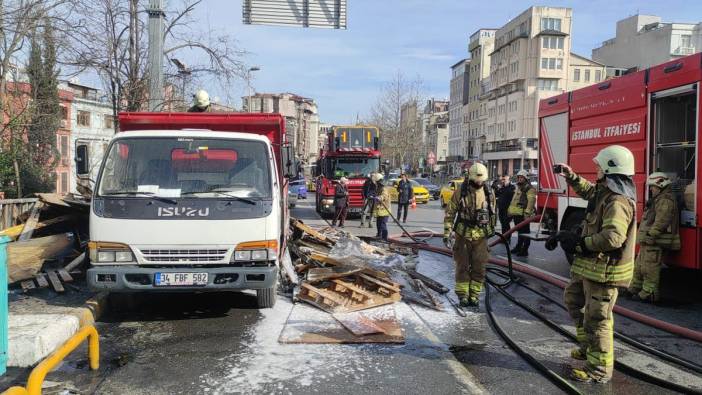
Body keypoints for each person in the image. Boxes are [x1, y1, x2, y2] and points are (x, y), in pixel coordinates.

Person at [545, 145, 637, 384]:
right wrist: (571, 176)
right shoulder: (604, 192)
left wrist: (580, 243)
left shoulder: (617, 201)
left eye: (598, 166)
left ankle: (598, 369)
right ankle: (588, 347)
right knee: (573, 300)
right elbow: (588, 191)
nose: (595, 169)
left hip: (604, 272)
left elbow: (613, 238)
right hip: (591, 267)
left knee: (598, 320)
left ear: (609, 169)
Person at [443, 162, 496, 308]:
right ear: (470, 177)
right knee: (462, 266)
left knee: (479, 266)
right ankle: (463, 295)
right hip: (463, 234)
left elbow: (493, 212)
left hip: (480, 236)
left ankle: (474, 295)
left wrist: (490, 228)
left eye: (482, 180)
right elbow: (450, 212)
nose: (479, 182)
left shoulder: (489, 192)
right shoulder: (461, 191)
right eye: (477, 179)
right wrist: (447, 232)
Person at [626, 172, 680, 303]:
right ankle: (635, 288)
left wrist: (652, 233)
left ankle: (649, 293)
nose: (651, 189)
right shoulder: (658, 199)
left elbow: (662, 220)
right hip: (648, 240)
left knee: (650, 268)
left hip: (655, 240)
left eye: (653, 187)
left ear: (660, 186)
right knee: (639, 266)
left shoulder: (665, 200)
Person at [507, 170, 536, 257]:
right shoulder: (519, 188)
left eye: (521, 177)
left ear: (526, 178)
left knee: (526, 233)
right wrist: (509, 210)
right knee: (520, 233)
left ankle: (525, 250)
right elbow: (514, 201)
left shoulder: (529, 189)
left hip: (523, 215)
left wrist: (527, 214)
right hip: (517, 215)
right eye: (519, 177)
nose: (519, 179)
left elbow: (531, 202)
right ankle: (518, 247)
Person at [373, 173, 391, 240]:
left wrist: (379, 198)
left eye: (377, 182)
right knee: (378, 223)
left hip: (385, 209)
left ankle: (384, 238)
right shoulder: (379, 187)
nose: (376, 183)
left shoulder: (384, 188)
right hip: (380, 210)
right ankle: (379, 235)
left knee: (383, 224)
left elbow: (384, 195)